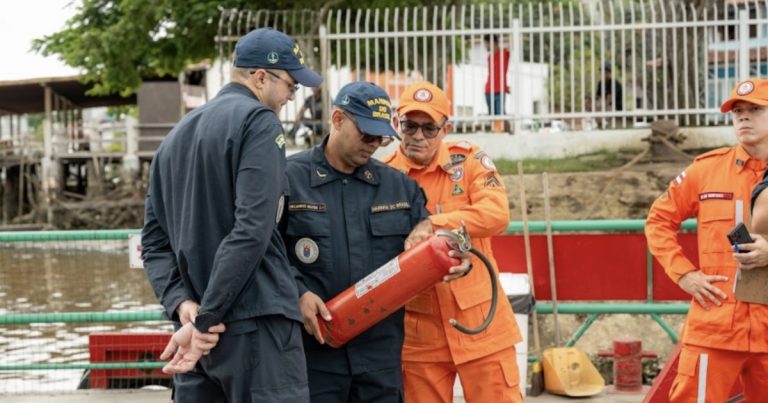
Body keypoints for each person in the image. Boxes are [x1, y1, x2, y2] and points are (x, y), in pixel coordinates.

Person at [141, 27, 321, 403]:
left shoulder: (172, 140)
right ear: (260, 77)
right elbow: (252, 229)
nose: (292, 96)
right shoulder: (258, 122)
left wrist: (183, 306)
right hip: (256, 327)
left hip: (196, 334)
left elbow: (154, 243)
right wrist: (209, 316)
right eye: (291, 85)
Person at [281, 81, 471, 403]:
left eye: (381, 138)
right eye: (366, 134)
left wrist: (458, 256)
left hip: (380, 357)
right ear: (338, 120)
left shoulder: (399, 188)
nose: (374, 145)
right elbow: (264, 252)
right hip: (313, 353)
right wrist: (296, 293)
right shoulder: (289, 179)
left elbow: (428, 244)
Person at [383, 81, 523, 403]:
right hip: (419, 334)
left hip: (482, 326)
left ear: (447, 128)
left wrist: (433, 223)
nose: (418, 136)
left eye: (429, 128)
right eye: (410, 126)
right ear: (396, 123)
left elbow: (496, 214)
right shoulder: (384, 177)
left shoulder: (470, 161)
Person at [645, 78, 768, 402]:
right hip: (715, 326)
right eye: (737, 111)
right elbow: (658, 220)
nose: (743, 116)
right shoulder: (706, 171)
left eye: (755, 109)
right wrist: (684, 274)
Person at [483, 34, 510, 133]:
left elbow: (513, 41)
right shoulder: (489, 57)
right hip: (489, 91)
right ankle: (498, 133)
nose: (485, 46)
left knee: (500, 116)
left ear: (491, 43)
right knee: (493, 118)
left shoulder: (504, 53)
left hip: (500, 91)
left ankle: (504, 133)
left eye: (486, 43)